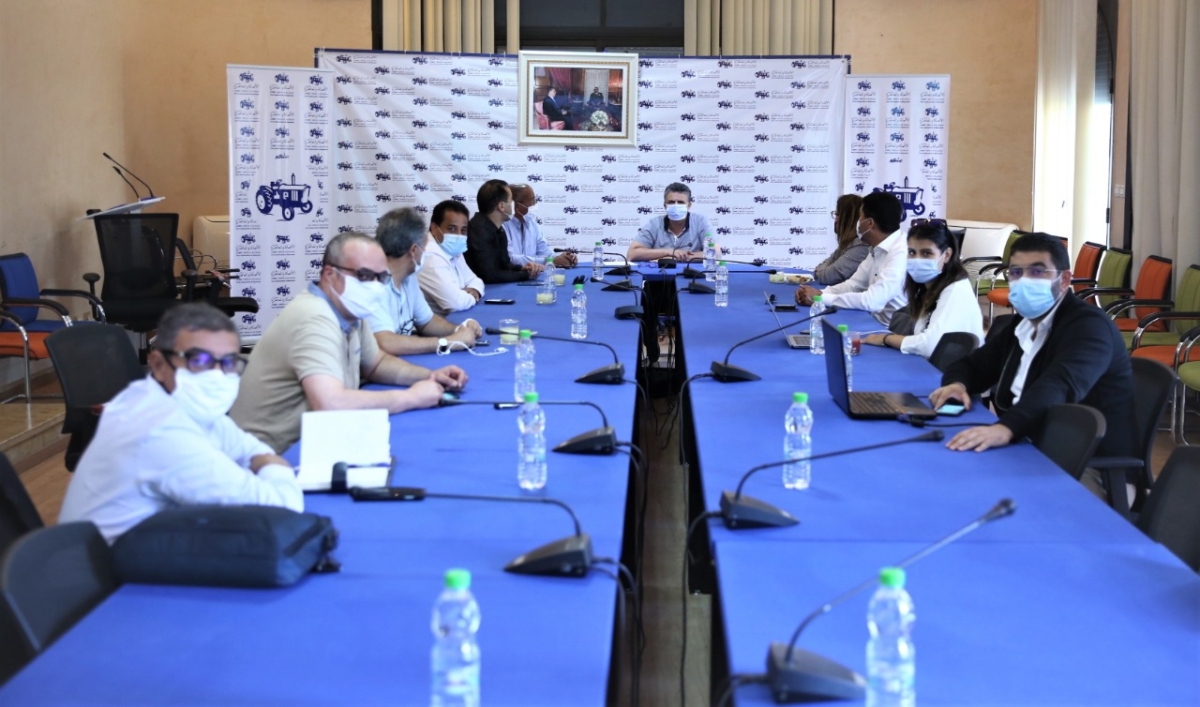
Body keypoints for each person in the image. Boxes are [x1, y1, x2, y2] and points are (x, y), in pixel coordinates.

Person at [58, 304, 303, 543]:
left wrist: (264, 463)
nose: (216, 375)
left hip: (149, 548)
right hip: (107, 568)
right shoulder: (160, 430)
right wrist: (275, 466)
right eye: (199, 360)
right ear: (158, 365)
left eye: (228, 362)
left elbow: (250, 450)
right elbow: (283, 508)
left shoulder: (188, 407)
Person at [230, 232, 463, 453]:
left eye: (381, 277)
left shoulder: (350, 311)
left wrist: (429, 376)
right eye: (364, 276)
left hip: (308, 442)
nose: (375, 286)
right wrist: (412, 398)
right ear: (330, 275)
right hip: (265, 456)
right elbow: (331, 404)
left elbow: (376, 364)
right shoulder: (314, 317)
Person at [928, 232, 1136, 458]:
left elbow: (1059, 385)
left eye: (1037, 272)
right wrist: (956, 385)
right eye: (1016, 272)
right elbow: (973, 365)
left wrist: (1005, 428)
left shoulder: (1090, 327)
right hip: (1028, 442)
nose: (1024, 280)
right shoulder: (1024, 322)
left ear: (1064, 280)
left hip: (1084, 461)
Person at [370, 207, 483, 355]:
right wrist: (447, 343)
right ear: (414, 250)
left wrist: (459, 329)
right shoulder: (373, 285)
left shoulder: (408, 277)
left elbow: (427, 322)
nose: (426, 251)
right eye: (424, 247)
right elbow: (385, 343)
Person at [864, 219, 983, 357]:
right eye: (912, 252)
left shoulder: (955, 290)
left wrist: (886, 339)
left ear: (946, 255)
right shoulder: (927, 288)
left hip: (950, 369)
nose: (917, 259)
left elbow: (929, 345)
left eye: (926, 253)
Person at [794, 191, 907, 326]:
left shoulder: (902, 252)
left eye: (860, 217)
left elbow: (872, 301)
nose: (857, 223)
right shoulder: (875, 248)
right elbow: (853, 285)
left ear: (869, 223)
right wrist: (818, 293)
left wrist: (820, 297)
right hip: (871, 321)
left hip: (891, 331)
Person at [418, 199, 486, 315]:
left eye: (463, 230)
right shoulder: (429, 255)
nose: (459, 235)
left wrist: (475, 290)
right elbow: (455, 304)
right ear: (434, 228)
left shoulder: (452, 249)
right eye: (452, 229)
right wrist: (473, 297)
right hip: (433, 324)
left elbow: (475, 280)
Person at [465, 179, 539, 284]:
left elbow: (505, 265)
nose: (514, 205)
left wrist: (522, 268)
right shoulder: (478, 231)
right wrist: (525, 274)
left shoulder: (498, 229)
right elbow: (490, 275)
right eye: (511, 200)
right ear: (501, 206)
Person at [626, 183, 714, 263]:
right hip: (660, 274)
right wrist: (669, 252)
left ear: (689, 206)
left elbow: (715, 252)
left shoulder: (700, 222)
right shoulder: (654, 224)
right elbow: (632, 254)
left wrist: (675, 258)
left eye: (681, 202)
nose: (676, 205)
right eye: (671, 202)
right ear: (665, 205)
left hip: (692, 274)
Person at [504, 184, 576, 269]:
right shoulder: (503, 225)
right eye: (532, 201)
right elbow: (510, 259)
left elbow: (545, 251)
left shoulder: (532, 223)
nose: (535, 204)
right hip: (512, 275)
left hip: (534, 274)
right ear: (517, 207)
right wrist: (549, 261)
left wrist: (563, 258)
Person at [811, 194, 869, 286]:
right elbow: (821, 266)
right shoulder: (848, 243)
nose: (835, 220)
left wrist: (823, 270)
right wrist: (823, 269)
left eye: (837, 214)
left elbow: (826, 277)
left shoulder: (860, 247)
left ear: (847, 219)